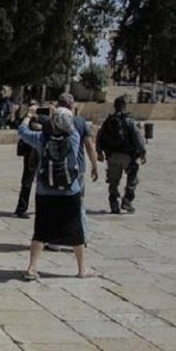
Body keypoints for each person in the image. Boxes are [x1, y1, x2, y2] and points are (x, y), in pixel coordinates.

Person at [18, 107, 96, 279]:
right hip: (70, 191)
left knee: (41, 230)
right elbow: (73, 126)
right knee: (76, 229)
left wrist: (29, 115)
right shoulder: (74, 137)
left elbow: (22, 131)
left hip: (45, 191)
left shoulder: (41, 139)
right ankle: (82, 269)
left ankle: (32, 268)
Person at [57, 93, 98, 241]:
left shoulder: (52, 122)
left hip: (58, 168)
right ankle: (83, 235)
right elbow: (89, 146)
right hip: (78, 166)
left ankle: (57, 238)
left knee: (58, 203)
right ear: (72, 106)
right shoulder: (80, 122)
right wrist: (94, 165)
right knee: (78, 202)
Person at [96, 95, 145, 214]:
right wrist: (143, 152)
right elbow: (138, 138)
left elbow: (100, 136)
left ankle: (114, 203)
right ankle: (127, 200)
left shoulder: (108, 121)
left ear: (114, 106)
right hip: (128, 156)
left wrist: (99, 152)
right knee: (133, 178)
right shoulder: (129, 121)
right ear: (125, 106)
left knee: (113, 181)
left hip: (112, 156)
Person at [13, 101, 41, 219]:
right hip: (30, 154)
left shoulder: (42, 119)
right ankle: (21, 208)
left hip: (40, 153)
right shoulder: (26, 120)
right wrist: (28, 116)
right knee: (27, 182)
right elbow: (19, 127)